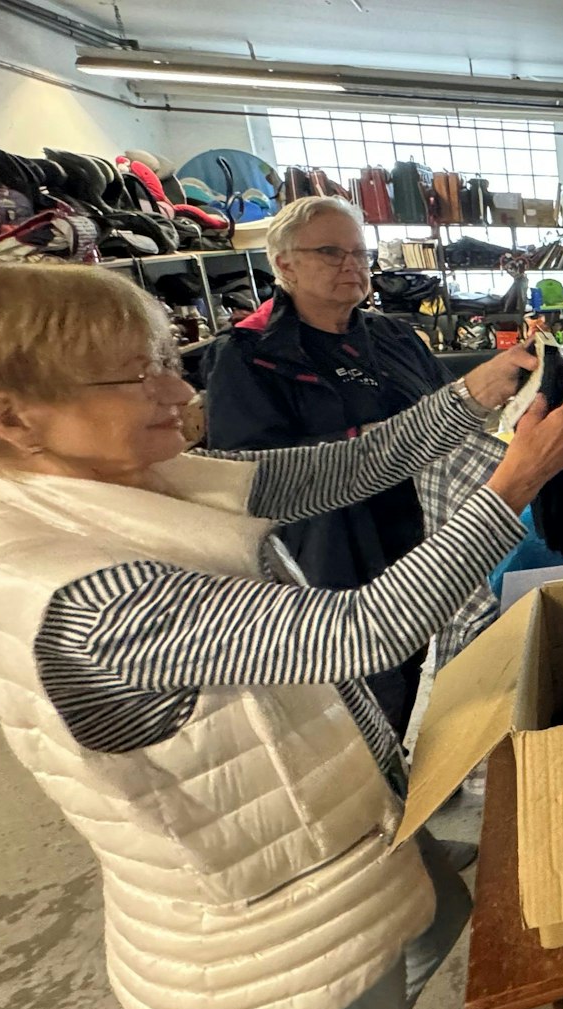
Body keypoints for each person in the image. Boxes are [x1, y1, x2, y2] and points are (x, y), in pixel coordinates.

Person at [0, 262, 563, 1009]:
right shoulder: (89, 590)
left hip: (317, 814)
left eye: (162, 359)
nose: (175, 387)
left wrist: (471, 394)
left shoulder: (130, 484)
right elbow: (359, 630)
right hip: (274, 876)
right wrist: (511, 486)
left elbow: (342, 471)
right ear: (11, 415)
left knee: (435, 918)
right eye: (135, 374)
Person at [202, 196, 465, 738]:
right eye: (330, 252)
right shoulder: (249, 355)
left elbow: (451, 408)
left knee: (411, 663)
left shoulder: (393, 338)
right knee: (358, 690)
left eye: (359, 254)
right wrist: (364, 441)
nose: (352, 265)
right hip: (331, 554)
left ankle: (406, 785)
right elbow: (247, 471)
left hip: (414, 535)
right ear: (284, 264)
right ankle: (373, 806)